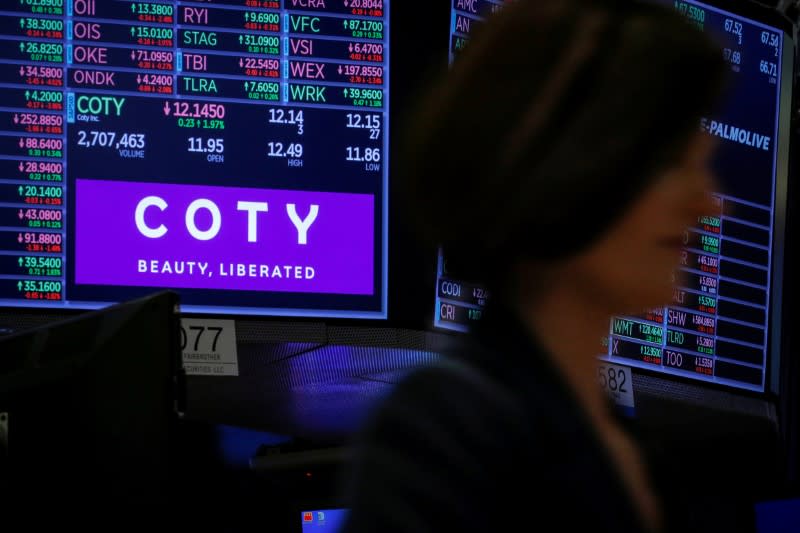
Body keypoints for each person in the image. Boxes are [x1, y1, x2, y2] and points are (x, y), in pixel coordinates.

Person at [339, 1, 736, 532]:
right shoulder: (445, 432)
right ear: (562, 170)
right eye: (672, 164)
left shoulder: (639, 458)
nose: (708, 203)